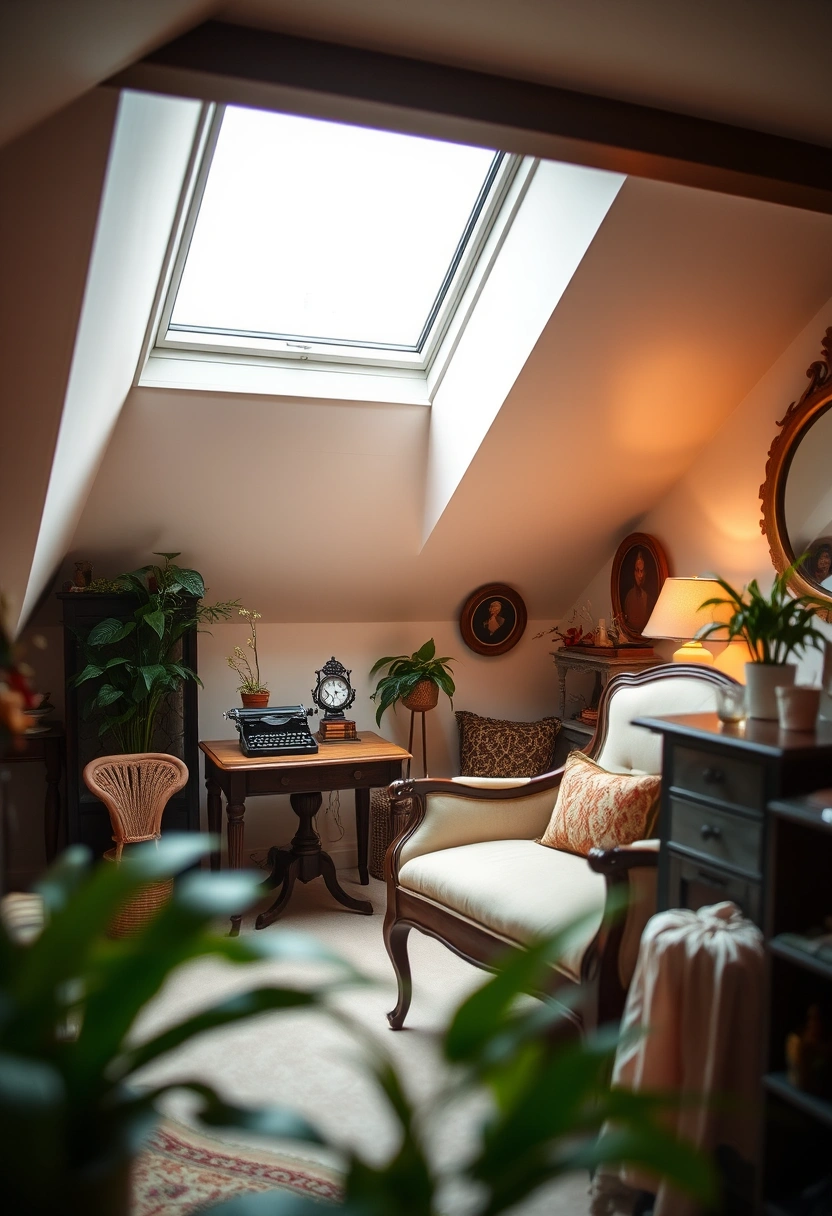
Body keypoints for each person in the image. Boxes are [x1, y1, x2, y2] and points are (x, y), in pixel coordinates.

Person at [623, 551, 653, 634]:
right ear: (633, 572)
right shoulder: (629, 596)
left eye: (642, 571)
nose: (640, 575)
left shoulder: (649, 597)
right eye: (637, 571)